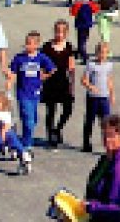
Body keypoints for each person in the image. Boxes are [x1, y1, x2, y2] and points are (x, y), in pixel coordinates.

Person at [82, 113, 120, 222]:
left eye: (111, 136)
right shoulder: (107, 158)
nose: (107, 140)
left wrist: (91, 207)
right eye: (104, 135)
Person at [10, 31, 55, 155]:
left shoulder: (41, 58)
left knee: (33, 120)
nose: (27, 46)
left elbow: (52, 68)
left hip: (35, 93)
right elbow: (13, 73)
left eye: (30, 44)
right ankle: (27, 145)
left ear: (36, 45)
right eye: (26, 43)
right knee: (28, 119)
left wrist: (44, 76)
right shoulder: (19, 58)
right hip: (23, 93)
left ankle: (23, 139)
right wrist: (9, 83)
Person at [42, 19, 77, 149]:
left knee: (68, 109)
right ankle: (51, 134)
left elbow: (71, 67)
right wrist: (42, 77)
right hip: (50, 81)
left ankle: (58, 128)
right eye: (57, 31)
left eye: (62, 31)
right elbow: (41, 64)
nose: (59, 34)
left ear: (67, 33)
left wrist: (72, 84)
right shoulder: (46, 47)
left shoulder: (69, 47)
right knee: (51, 110)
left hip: (63, 81)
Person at [0, 91, 31, 170]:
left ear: (3, 104)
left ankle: (24, 153)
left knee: (13, 139)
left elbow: (7, 126)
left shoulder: (5, 114)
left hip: (5, 132)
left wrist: (3, 133)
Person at [81, 42, 115, 153]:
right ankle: (86, 143)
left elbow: (109, 80)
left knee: (106, 122)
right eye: (100, 52)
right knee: (90, 120)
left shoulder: (109, 65)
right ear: (96, 53)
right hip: (93, 97)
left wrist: (112, 94)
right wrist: (91, 87)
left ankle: (108, 145)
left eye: (105, 53)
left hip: (104, 97)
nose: (102, 55)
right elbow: (84, 80)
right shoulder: (91, 65)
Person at [71, 0, 100, 64]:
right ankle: (79, 52)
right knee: (84, 40)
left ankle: (84, 56)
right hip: (87, 25)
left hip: (80, 25)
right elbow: (96, 10)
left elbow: (72, 13)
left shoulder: (78, 4)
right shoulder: (91, 4)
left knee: (80, 41)